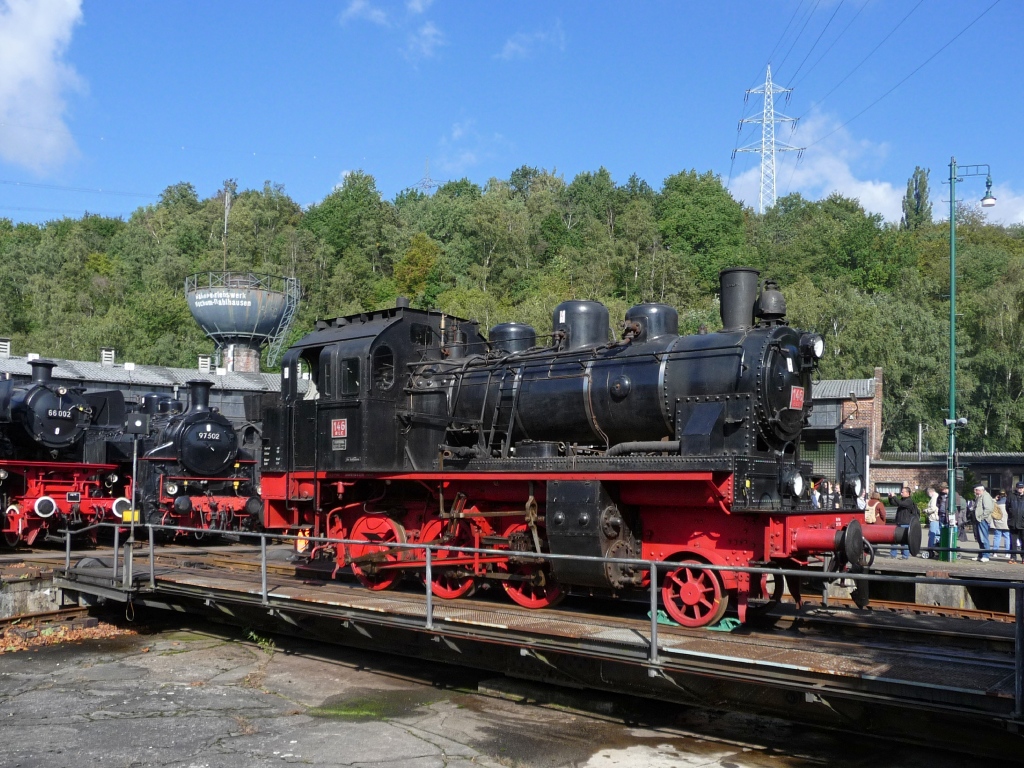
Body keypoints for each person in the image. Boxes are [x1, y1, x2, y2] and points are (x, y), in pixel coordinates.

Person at [892, 486, 918, 559]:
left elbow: (901, 504)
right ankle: (893, 554)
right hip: (899, 522)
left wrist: (894, 497)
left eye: (902, 492)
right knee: (895, 539)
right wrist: (890, 498)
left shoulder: (909, 501)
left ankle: (905, 555)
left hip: (905, 523)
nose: (901, 493)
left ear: (908, 493)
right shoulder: (902, 500)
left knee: (904, 540)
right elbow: (894, 503)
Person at [972, 484, 994, 563]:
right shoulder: (979, 496)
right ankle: (981, 555)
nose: (974, 492)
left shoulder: (986, 496)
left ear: (979, 490)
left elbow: (988, 508)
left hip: (982, 520)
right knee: (979, 538)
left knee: (983, 538)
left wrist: (981, 517)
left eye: (975, 490)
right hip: (979, 520)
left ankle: (986, 555)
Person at [1006, 481, 1024, 565]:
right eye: (1019, 488)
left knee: (1023, 541)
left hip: (1023, 523)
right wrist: (1011, 515)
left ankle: (1023, 558)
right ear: (1016, 488)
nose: (1020, 489)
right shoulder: (1011, 496)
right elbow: (1007, 507)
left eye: (1021, 488)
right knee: (1012, 541)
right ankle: (1013, 557)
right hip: (1013, 522)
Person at [922, 487, 940, 559]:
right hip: (937, 518)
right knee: (937, 535)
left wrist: (925, 510)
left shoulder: (934, 498)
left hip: (934, 518)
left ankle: (930, 549)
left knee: (932, 534)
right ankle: (937, 549)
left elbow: (933, 508)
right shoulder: (937, 496)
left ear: (930, 492)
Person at [991, 492, 1010, 558]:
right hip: (1006, 523)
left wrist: (994, 499)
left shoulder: (996, 504)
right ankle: (1007, 553)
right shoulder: (1008, 504)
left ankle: (995, 552)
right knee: (1007, 538)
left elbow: (990, 505)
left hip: (998, 523)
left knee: (997, 537)